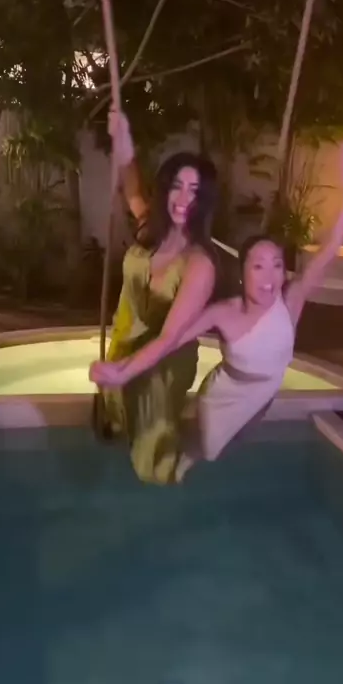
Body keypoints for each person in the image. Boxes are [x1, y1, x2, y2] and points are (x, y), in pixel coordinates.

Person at [91, 142, 343, 480]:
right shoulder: (224, 313)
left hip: (264, 393)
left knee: (239, 439)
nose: (269, 277)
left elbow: (329, 251)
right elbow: (169, 341)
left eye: (277, 265)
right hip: (224, 397)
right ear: (243, 273)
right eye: (258, 266)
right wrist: (123, 370)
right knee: (205, 452)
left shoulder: (290, 301)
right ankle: (166, 454)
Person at [93, 109, 220, 484]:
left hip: (164, 365)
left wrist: (122, 372)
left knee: (153, 462)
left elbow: (167, 339)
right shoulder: (152, 227)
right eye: (177, 186)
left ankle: (183, 467)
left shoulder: (200, 264)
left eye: (194, 191)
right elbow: (132, 185)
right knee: (118, 418)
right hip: (126, 342)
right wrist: (123, 135)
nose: (183, 198)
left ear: (204, 200)